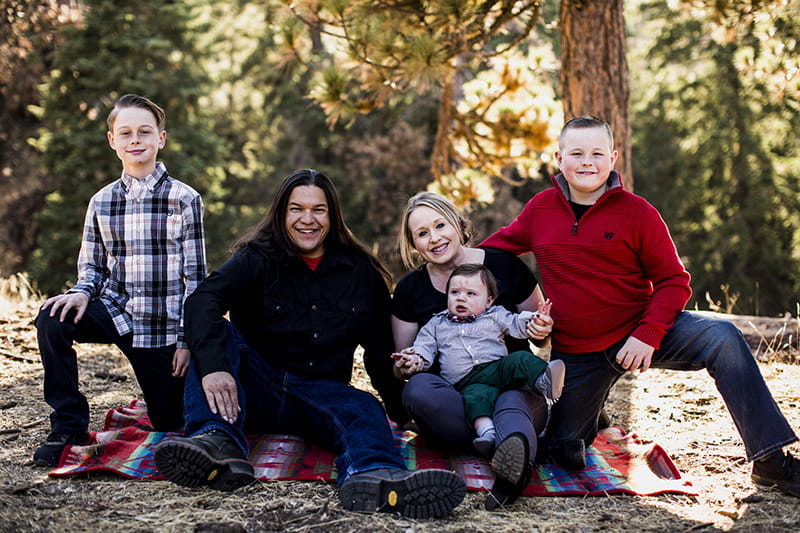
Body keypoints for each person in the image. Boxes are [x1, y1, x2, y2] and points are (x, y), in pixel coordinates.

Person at [480, 115, 800, 497]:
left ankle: (770, 462)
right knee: (564, 451)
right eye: (577, 153)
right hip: (578, 353)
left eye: (597, 153)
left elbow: (674, 281)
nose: (587, 162)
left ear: (613, 158)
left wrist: (647, 335)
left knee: (724, 338)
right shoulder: (540, 209)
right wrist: (444, 261)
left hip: (639, 332)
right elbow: (493, 250)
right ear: (559, 158)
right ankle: (590, 414)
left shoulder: (638, 213)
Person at [153, 169, 466, 518]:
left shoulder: (360, 273)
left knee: (364, 407)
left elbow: (379, 353)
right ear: (281, 214)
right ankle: (217, 445)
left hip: (319, 396)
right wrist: (214, 370)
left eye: (319, 210)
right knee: (216, 334)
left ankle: (375, 475)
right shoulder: (255, 258)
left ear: (332, 216)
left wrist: (401, 413)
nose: (307, 219)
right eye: (296, 208)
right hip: (254, 388)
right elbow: (202, 302)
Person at [33, 94, 207, 467]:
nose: (135, 140)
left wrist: (186, 340)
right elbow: (93, 268)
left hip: (162, 328)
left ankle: (166, 405)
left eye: (145, 131)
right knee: (52, 318)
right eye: (125, 133)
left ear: (161, 138)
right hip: (118, 313)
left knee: (171, 422)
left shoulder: (184, 198)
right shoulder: (101, 201)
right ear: (113, 141)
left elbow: (196, 279)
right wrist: (81, 293)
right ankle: (68, 426)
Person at [391, 191, 553, 510]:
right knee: (419, 389)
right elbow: (403, 365)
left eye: (440, 225)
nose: (434, 238)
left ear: (457, 223)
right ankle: (507, 443)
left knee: (512, 402)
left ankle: (513, 458)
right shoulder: (410, 290)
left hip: (511, 388)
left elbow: (542, 336)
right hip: (454, 404)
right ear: (413, 244)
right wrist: (407, 365)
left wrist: (540, 331)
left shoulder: (504, 267)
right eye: (422, 233)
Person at [394, 263, 564, 457]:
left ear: (488, 301)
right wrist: (414, 359)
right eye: (455, 292)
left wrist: (535, 320)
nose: (461, 298)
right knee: (476, 398)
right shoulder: (436, 324)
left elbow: (516, 324)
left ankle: (544, 380)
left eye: (471, 294)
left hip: (498, 369)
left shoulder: (495, 315)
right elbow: (424, 348)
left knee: (520, 359)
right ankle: (488, 435)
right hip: (466, 380)